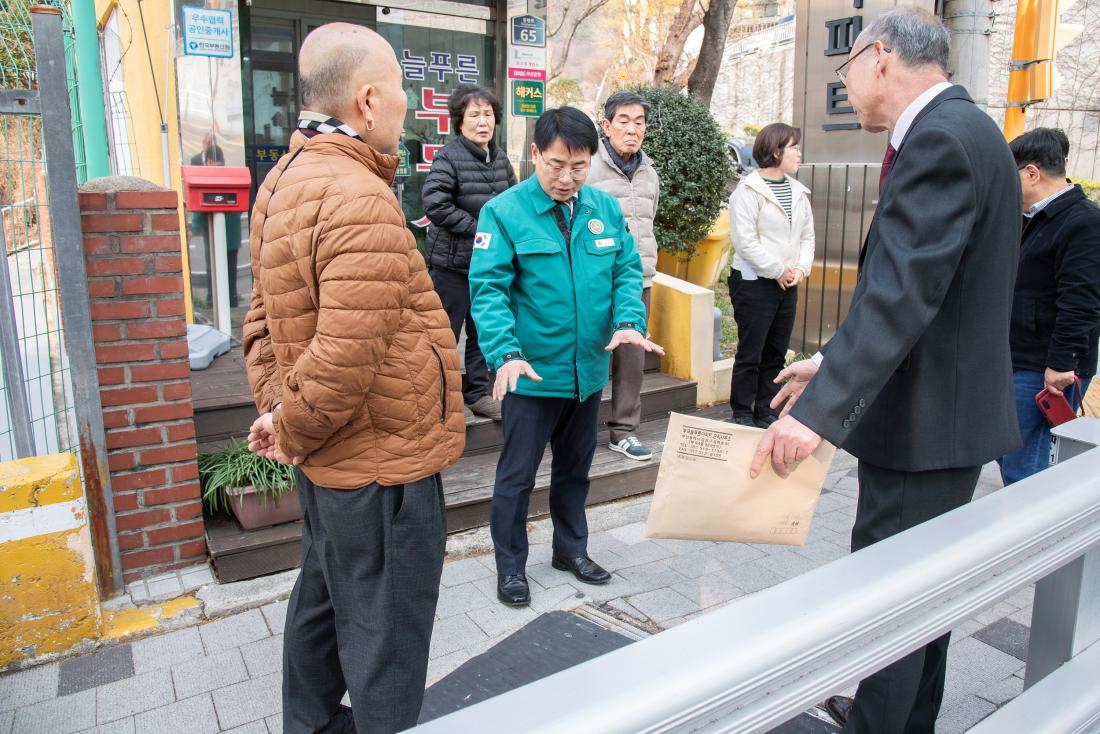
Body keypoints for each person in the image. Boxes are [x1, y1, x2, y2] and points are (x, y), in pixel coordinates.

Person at [748, 9, 1021, 732]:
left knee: (893, 595)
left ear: (879, 58)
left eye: (846, 71)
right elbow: (925, 289)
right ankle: (901, 718)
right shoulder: (970, 129)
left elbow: (902, 295)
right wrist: (827, 362)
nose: (846, 87)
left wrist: (814, 417)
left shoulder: (939, 140)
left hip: (922, 422)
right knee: (927, 595)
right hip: (947, 414)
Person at [241, 23, 465, 734]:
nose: (408, 105)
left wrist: (281, 416)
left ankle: (309, 725)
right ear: (367, 101)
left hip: (331, 459)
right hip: (381, 465)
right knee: (386, 638)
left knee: (323, 600)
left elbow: (260, 322)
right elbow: (343, 357)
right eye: (399, 89)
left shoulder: (282, 180)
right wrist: (291, 425)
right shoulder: (358, 196)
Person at [469, 106, 662, 607]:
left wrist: (628, 321)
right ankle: (511, 566)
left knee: (576, 471)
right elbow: (488, 290)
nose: (566, 178)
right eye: (556, 165)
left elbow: (625, 270)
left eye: (579, 167)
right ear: (535, 153)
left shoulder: (603, 207)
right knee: (517, 478)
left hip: (587, 373)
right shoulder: (504, 212)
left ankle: (570, 550)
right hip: (531, 374)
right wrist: (504, 353)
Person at [998, 128, 1100, 485]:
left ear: (1031, 173)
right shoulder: (1034, 217)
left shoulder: (1083, 222)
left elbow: (1082, 301)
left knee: (1026, 464)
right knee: (1012, 454)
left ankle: (1028, 520)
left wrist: (1061, 363)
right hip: (1022, 356)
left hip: (1046, 367)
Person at [422, 84, 517, 421]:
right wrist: (482, 229)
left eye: (488, 114)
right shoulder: (448, 157)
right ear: (459, 121)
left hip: (487, 266)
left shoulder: (500, 158)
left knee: (483, 331)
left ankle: (478, 393)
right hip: (451, 266)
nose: (482, 121)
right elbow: (435, 203)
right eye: (474, 115)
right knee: (443, 335)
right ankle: (436, 397)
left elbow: (514, 203)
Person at [586, 91, 660, 460]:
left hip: (638, 280)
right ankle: (577, 429)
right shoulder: (588, 167)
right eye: (624, 121)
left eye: (639, 122)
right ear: (607, 125)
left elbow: (650, 220)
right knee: (589, 353)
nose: (632, 129)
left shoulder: (649, 172)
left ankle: (624, 431)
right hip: (594, 281)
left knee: (632, 360)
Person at [726, 122, 814, 428]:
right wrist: (777, 270)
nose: (799, 153)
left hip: (788, 283)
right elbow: (745, 241)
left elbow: (807, 237)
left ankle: (766, 409)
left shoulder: (798, 192)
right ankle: (741, 410)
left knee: (776, 351)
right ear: (776, 151)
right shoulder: (748, 191)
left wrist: (800, 269)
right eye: (794, 148)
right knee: (751, 350)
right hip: (754, 282)